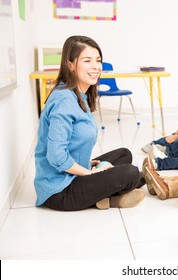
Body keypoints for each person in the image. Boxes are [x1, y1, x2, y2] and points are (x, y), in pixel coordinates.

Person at [34, 35, 144, 211]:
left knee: (124, 154)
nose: (96, 67)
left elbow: (70, 145)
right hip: (60, 191)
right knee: (130, 174)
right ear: (70, 64)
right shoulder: (64, 100)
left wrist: (91, 164)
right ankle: (133, 184)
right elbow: (55, 155)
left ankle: (111, 196)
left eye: (98, 60)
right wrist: (89, 173)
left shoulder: (78, 94)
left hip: (73, 176)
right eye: (87, 61)